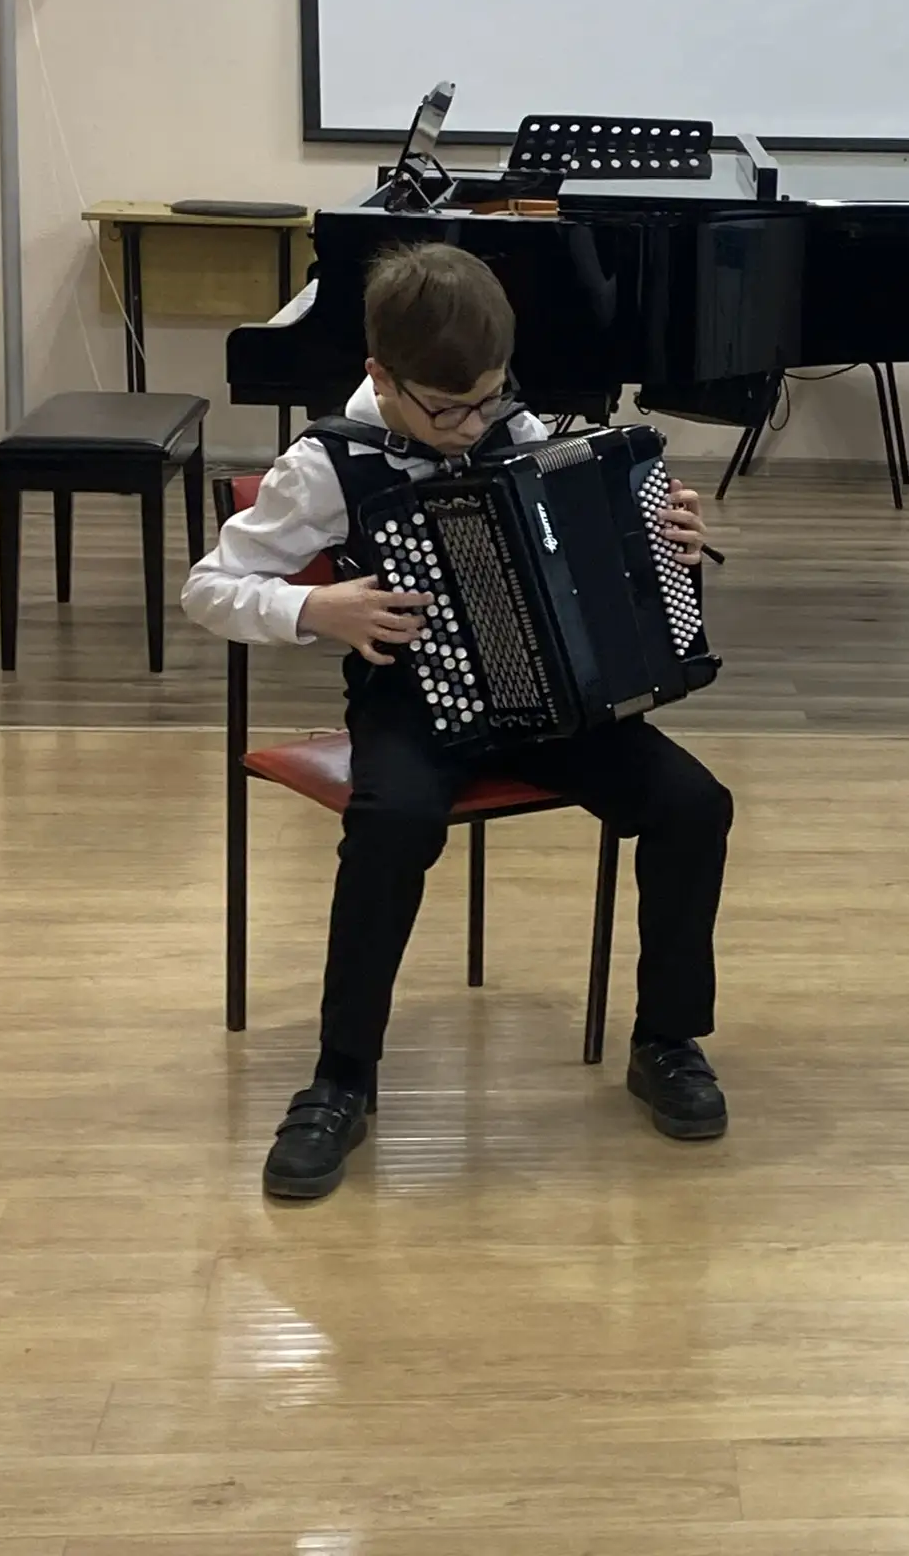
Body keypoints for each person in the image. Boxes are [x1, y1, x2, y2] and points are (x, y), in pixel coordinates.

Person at [183, 243, 734, 1199]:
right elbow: (209, 587)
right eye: (446, 409)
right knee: (392, 824)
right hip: (411, 705)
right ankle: (341, 1078)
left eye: (487, 398)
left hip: (550, 705)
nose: (472, 425)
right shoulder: (328, 464)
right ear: (380, 377)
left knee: (695, 803)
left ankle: (666, 1041)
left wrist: (666, 542)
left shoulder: (519, 429)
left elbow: (594, 564)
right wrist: (317, 608)